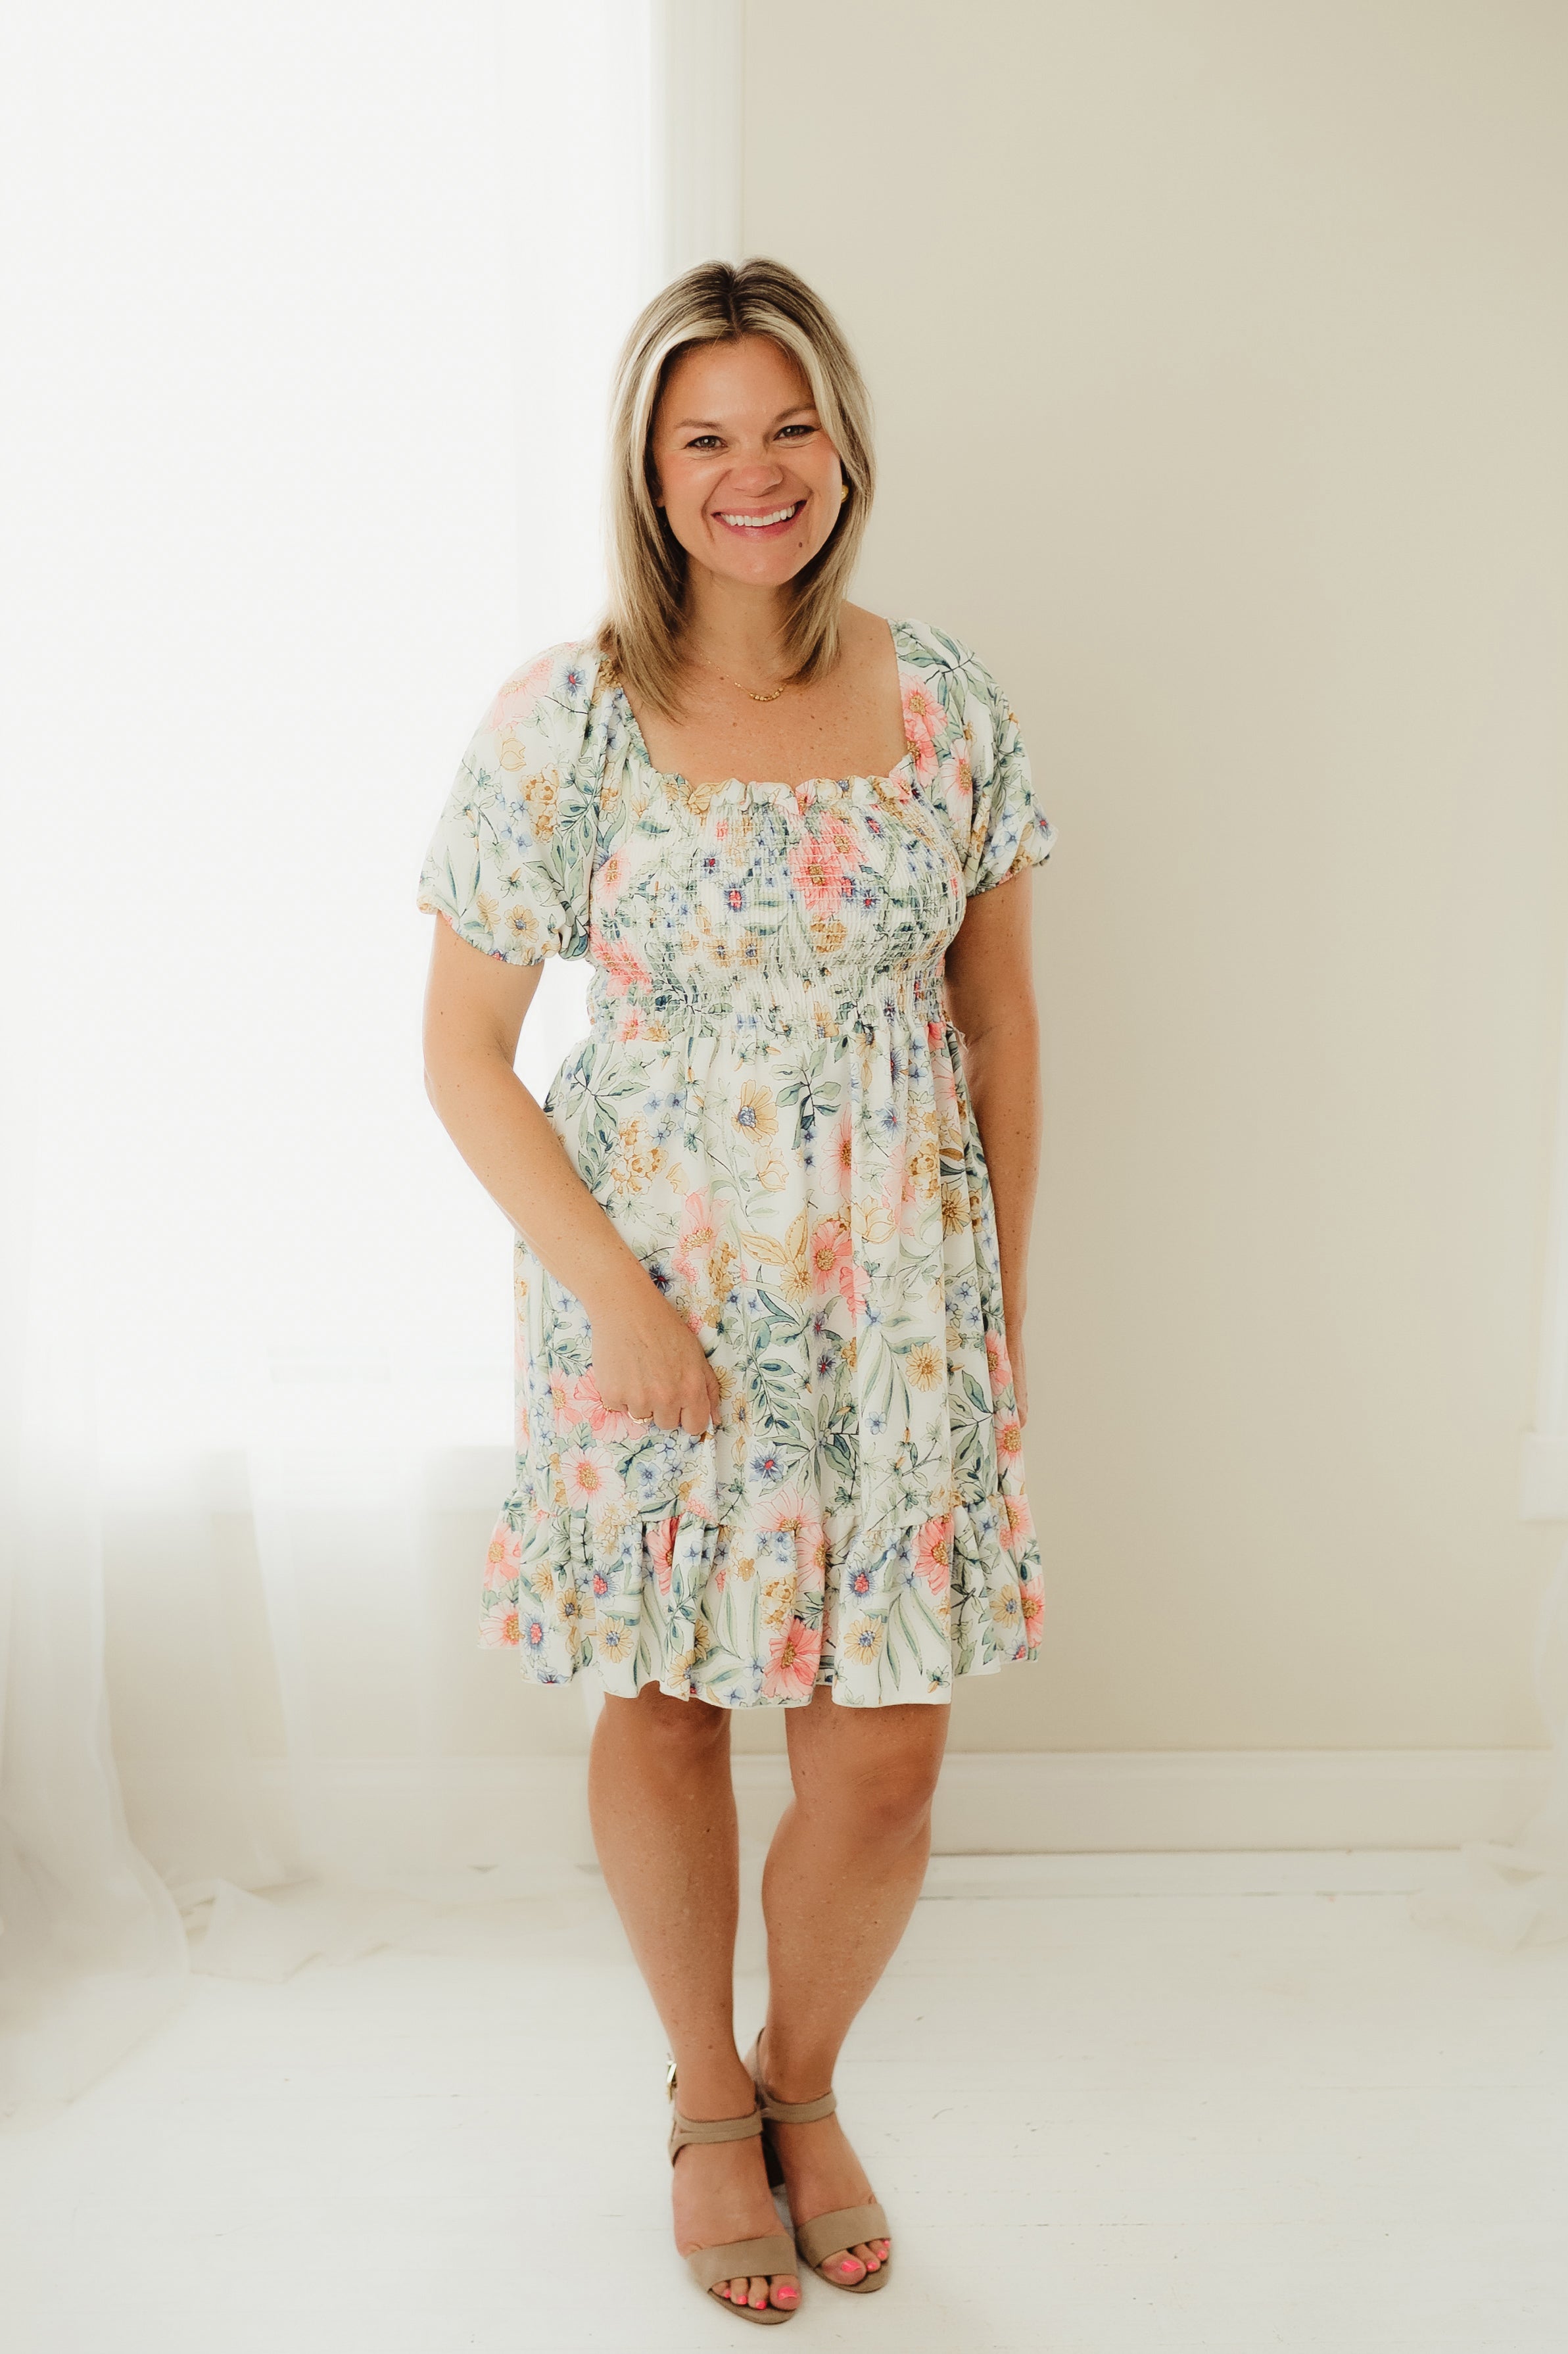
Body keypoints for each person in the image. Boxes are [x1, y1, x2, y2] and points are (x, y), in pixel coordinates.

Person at [417, 257, 1053, 2326]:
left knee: (882, 1753)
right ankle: (706, 2095)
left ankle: (802, 2076)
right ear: (648, 466)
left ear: (841, 445)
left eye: (787, 426)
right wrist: (615, 1300)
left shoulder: (944, 703)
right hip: (655, 1302)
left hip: (899, 1310)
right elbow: (461, 1051)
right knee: (671, 1696)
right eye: (704, 436)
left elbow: (998, 1023)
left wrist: (993, 1306)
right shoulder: (565, 717)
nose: (751, 470)